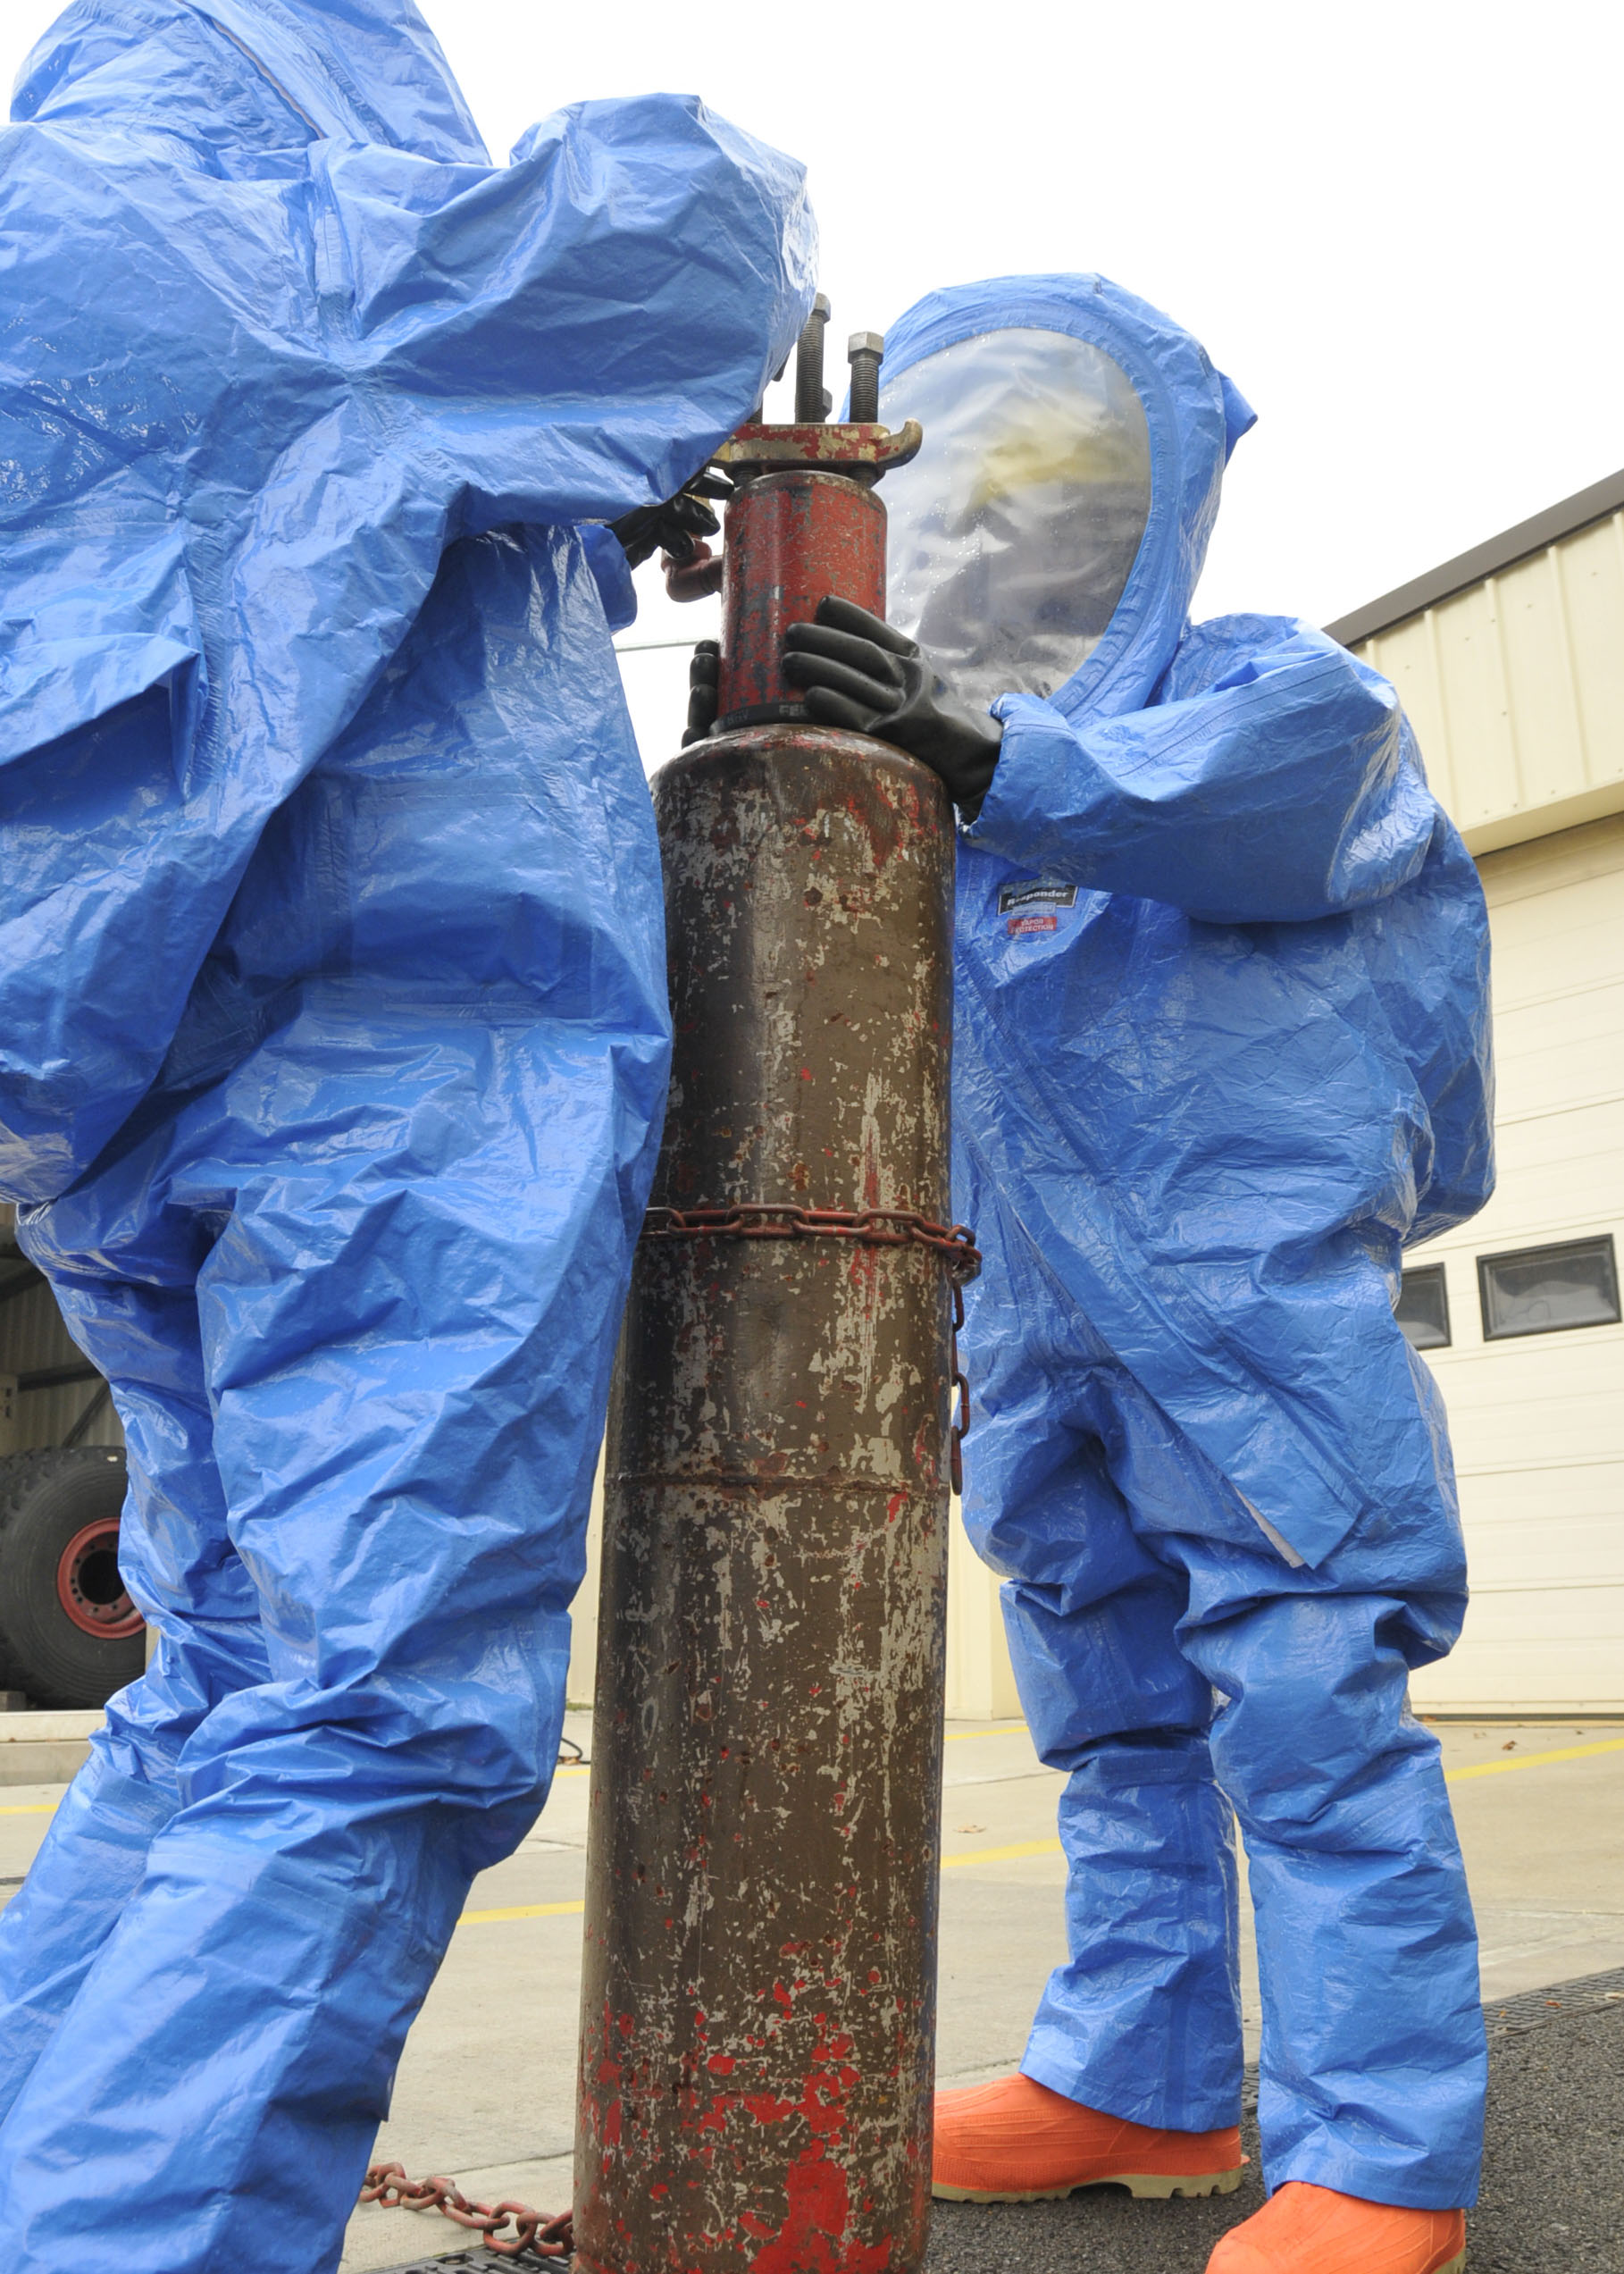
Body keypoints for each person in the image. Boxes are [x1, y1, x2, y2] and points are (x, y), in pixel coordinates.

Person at [0, 4, 812, 2268]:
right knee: (371, 1724)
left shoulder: (37, 253)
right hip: (399, 1054)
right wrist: (610, 443)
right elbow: (693, 221)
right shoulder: (310, 228)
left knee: (224, 1687)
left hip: (103, 1095)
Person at [769, 276, 1492, 2274]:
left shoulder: (1268, 692)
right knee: (1109, 1709)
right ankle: (1144, 2074)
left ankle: (1383, 2155)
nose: (998, 536)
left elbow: (1254, 810)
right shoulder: (923, 784)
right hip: (1033, 1321)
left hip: (1249, 1317)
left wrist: (983, 751)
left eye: (1053, 484)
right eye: (959, 492)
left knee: (1309, 1706)